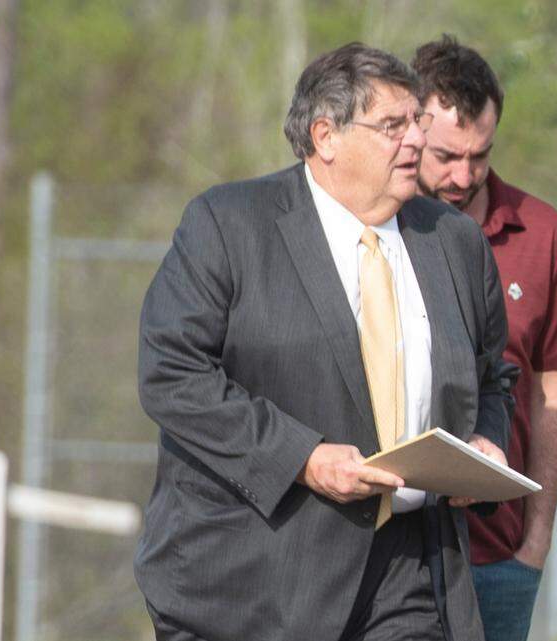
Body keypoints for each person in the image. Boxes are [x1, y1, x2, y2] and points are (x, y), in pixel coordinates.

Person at [134, 42, 514, 641]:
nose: (415, 139)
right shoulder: (228, 225)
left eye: (415, 120)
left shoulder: (456, 242)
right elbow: (172, 373)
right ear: (326, 137)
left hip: (412, 580)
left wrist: (486, 443)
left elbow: (495, 376)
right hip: (254, 583)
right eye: (393, 125)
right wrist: (303, 459)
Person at [413, 35, 557, 641]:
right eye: (445, 155)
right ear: (409, 130)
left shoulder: (543, 235)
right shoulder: (375, 231)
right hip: (388, 554)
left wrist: (535, 542)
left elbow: (552, 399)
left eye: (480, 156)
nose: (462, 175)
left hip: (499, 564)